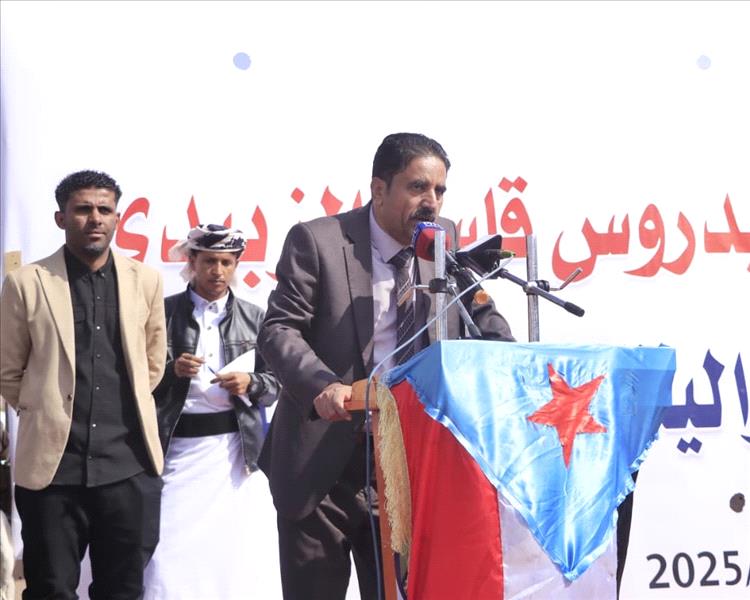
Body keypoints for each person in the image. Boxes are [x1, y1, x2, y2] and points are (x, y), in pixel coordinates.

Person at [258, 132, 515, 599]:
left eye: (439, 190)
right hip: (323, 465)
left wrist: (514, 363)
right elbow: (279, 330)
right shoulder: (318, 241)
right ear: (379, 189)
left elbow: (482, 315)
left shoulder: (442, 240)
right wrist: (323, 385)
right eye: (418, 187)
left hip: (407, 463)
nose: (431, 202)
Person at [0, 170, 167, 599]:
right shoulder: (27, 283)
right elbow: (7, 370)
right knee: (51, 589)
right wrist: (44, 409)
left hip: (128, 467)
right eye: (83, 209)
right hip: (53, 472)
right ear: (61, 218)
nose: (95, 218)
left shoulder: (146, 280)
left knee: (122, 589)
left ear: (117, 218)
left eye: (104, 210)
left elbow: (153, 364)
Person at [143, 224, 280, 599]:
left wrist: (250, 383)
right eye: (208, 262)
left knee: (232, 550)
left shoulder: (256, 317)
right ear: (192, 262)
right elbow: (134, 379)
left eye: (226, 263)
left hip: (234, 453)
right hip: (174, 450)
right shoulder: (163, 314)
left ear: (236, 265)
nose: (217, 271)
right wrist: (171, 371)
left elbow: (277, 384)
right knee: (166, 550)